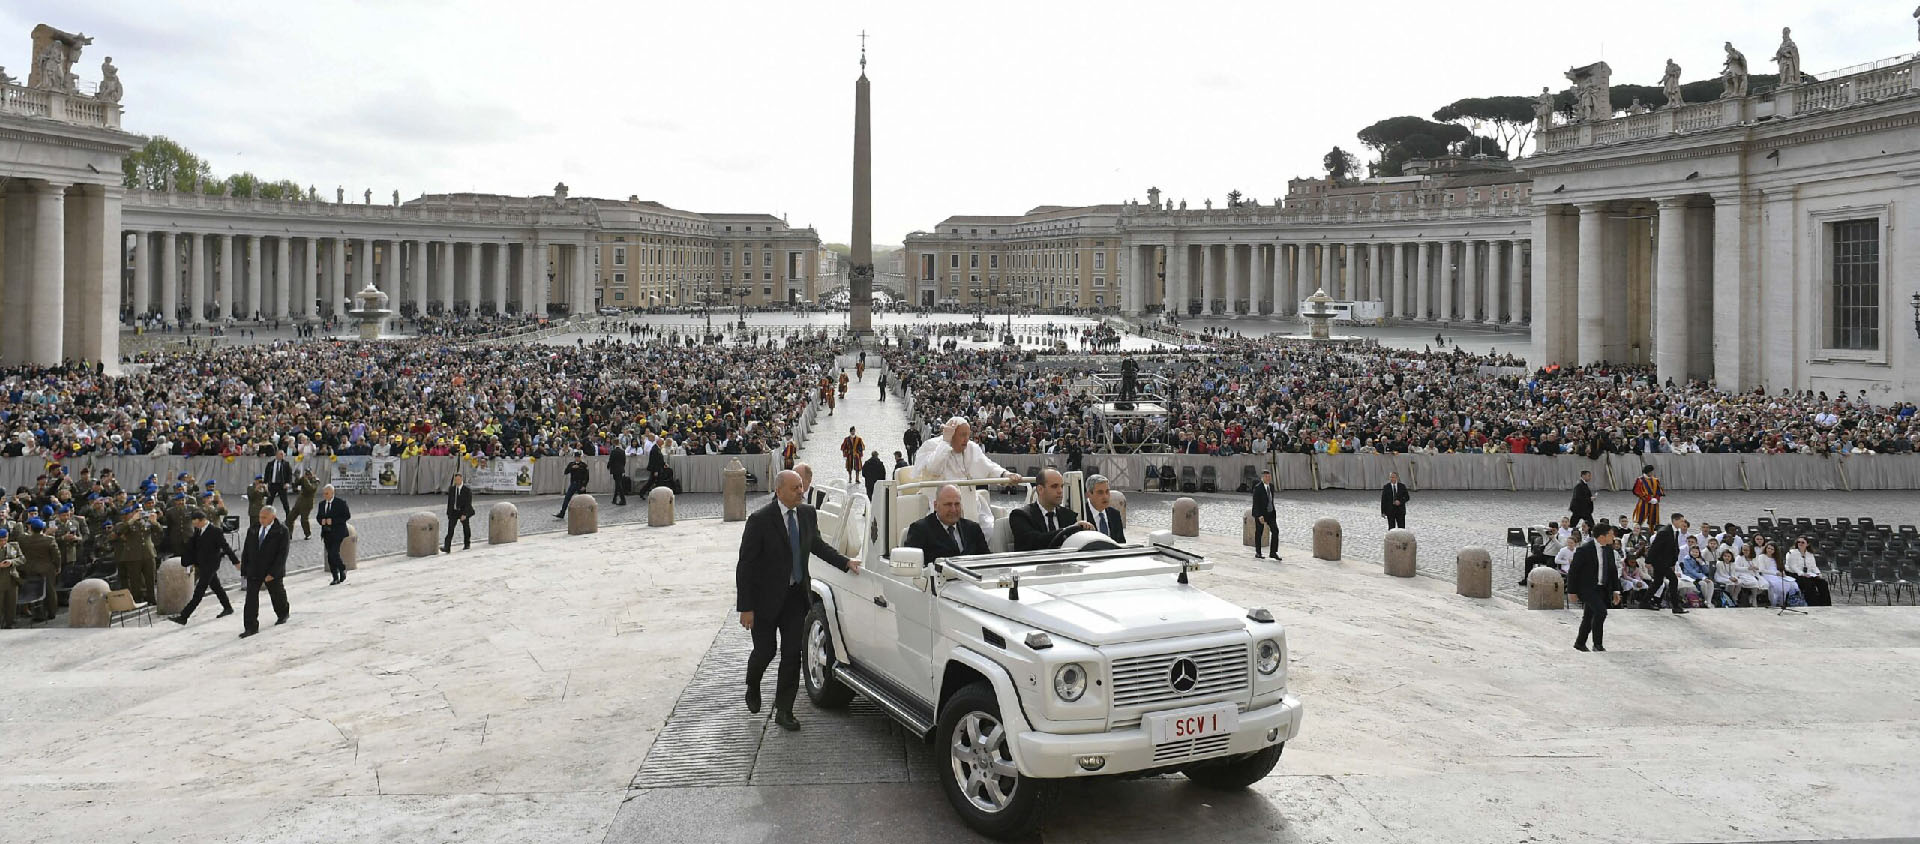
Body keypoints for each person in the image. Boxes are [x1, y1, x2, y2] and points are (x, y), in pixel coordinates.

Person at [736, 470, 859, 732]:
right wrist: (746, 607)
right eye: (795, 488)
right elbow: (745, 566)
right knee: (765, 651)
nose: (801, 492)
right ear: (779, 491)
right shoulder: (760, 520)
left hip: (795, 597)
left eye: (802, 487)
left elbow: (817, 546)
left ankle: (784, 710)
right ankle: (753, 682)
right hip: (764, 601)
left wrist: (846, 562)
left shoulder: (806, 514)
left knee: (793, 653)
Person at [909, 416, 1021, 532]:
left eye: (968, 435)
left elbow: (988, 466)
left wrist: (1006, 475)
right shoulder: (932, 446)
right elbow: (934, 468)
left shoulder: (971, 447)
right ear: (951, 434)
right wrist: (945, 443)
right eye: (963, 435)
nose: (966, 439)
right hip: (940, 504)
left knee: (988, 529)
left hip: (969, 501)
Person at [170, 509, 238, 625]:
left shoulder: (215, 531)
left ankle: (184, 616)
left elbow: (226, 547)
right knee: (216, 587)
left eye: (195, 522)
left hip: (211, 564)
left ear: (202, 520)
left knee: (199, 591)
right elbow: (194, 547)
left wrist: (235, 562)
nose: (194, 524)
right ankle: (228, 607)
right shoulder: (198, 530)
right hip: (202, 564)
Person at [902, 484, 989, 566]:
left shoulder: (973, 529)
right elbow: (909, 565)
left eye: (957, 504)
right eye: (948, 504)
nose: (953, 509)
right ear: (936, 505)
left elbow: (987, 561)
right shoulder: (920, 530)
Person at [1567, 523, 1623, 652]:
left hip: (1602, 588)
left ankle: (1580, 643)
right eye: (1611, 534)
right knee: (1601, 612)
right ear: (1602, 536)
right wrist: (1572, 592)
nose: (1613, 537)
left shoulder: (1608, 549)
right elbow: (1573, 572)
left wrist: (1615, 590)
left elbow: (1613, 570)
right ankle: (1597, 644)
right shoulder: (1584, 550)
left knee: (1588, 616)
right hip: (1587, 588)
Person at [1009, 468, 1092, 552]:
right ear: (1040, 489)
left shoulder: (1069, 515)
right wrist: (1068, 530)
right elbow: (1034, 542)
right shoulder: (1020, 515)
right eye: (1054, 486)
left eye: (1061, 486)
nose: (1060, 491)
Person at [239, 505, 291, 638]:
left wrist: (273, 573)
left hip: (271, 570)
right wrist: (245, 568)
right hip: (254, 569)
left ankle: (283, 614)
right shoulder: (254, 528)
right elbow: (247, 549)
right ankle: (250, 627)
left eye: (264, 517)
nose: (261, 520)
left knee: (277, 594)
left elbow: (282, 554)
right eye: (260, 517)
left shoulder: (282, 530)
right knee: (250, 599)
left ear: (272, 517)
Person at [17, 518, 60, 622]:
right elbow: (56, 555)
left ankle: (38, 614)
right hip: (47, 569)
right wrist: (57, 567)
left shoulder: (23, 539)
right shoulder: (49, 540)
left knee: (35, 591)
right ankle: (51, 612)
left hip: (30, 569)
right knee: (50, 590)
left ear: (30, 528)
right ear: (43, 528)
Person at [1646, 513, 1690, 614]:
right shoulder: (1665, 532)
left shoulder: (1675, 531)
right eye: (1682, 520)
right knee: (1673, 580)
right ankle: (1676, 606)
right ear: (1675, 520)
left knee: (1657, 582)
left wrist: (1673, 562)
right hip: (1660, 562)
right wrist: (1648, 561)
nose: (1683, 523)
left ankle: (1644, 601)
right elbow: (1654, 547)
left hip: (1666, 562)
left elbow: (1674, 548)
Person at [317, 485, 351, 585]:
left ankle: (342, 568)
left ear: (332, 493)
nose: (324, 495)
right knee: (330, 557)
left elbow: (347, 516)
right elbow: (318, 517)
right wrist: (321, 521)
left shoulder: (340, 503)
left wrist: (333, 521)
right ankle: (335, 577)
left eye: (326, 493)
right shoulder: (322, 504)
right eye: (324, 493)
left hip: (338, 532)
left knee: (334, 553)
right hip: (326, 533)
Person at [1784, 536, 1831, 606]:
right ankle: (1813, 604)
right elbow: (1793, 566)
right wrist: (1803, 574)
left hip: (1808, 574)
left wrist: (1818, 573)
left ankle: (1826, 604)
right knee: (1808, 584)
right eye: (1798, 542)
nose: (1800, 543)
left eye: (1802, 542)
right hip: (1794, 574)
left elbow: (1813, 566)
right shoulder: (1791, 553)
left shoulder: (1810, 554)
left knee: (1823, 583)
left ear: (1807, 544)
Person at [1084, 474, 1126, 543]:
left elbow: (1121, 542)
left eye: (1107, 491)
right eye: (1100, 492)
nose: (1105, 496)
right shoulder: (1082, 514)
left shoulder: (1115, 515)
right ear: (1089, 494)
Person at [1251, 469, 1280, 560]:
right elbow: (1256, 503)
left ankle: (1273, 552)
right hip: (1261, 513)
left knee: (1275, 531)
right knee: (1259, 532)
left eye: (1269, 477)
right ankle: (1258, 552)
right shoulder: (1258, 488)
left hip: (1270, 513)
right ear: (1262, 477)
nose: (1268, 479)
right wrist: (1259, 515)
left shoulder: (1271, 486)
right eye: (1266, 477)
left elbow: (1271, 500)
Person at [443, 472, 475, 553]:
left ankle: (467, 544)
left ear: (461, 479)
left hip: (463, 511)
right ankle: (447, 547)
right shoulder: (452, 489)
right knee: (450, 529)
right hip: (454, 512)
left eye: (458, 479)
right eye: (455, 480)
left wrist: (465, 514)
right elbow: (450, 502)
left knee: (466, 528)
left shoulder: (467, 490)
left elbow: (468, 504)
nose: (457, 481)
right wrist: (449, 513)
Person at [555, 451, 590, 518]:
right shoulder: (571, 464)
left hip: (580, 484)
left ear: (580, 457)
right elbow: (566, 472)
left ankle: (586, 514)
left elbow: (587, 477)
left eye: (578, 457)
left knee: (584, 500)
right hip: (573, 484)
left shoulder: (584, 465)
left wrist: (584, 485)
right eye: (576, 457)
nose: (577, 458)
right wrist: (571, 468)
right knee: (567, 498)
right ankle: (562, 513)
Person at [290, 469, 319, 540]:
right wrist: (296, 476)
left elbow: (311, 489)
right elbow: (296, 483)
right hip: (299, 503)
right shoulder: (304, 479)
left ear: (312, 474)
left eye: (309, 474)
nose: (307, 475)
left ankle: (308, 534)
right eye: (306, 474)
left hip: (307, 504)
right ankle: (288, 534)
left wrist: (305, 479)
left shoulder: (316, 481)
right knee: (290, 518)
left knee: (304, 520)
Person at [1631, 465, 1663, 529]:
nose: (1652, 473)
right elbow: (1637, 491)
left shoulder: (1655, 480)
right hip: (1643, 502)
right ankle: (1637, 531)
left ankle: (1652, 532)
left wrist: (1657, 499)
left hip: (1654, 503)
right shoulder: (1640, 480)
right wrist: (1648, 499)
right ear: (1647, 472)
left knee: (1653, 519)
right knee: (1640, 517)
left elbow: (1659, 491)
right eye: (1651, 472)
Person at [0, 529, 18, 629]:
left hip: (12, 580)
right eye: (1, 540)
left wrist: (12, 562)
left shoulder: (14, 545)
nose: (3, 542)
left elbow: (22, 558)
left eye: (5, 539)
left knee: (11, 604)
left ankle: (10, 624)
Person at [608, 441, 629, 506]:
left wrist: (608, 466)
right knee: (618, 484)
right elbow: (624, 461)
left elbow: (611, 460)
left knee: (618, 484)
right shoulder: (622, 451)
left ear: (614, 443)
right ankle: (614, 499)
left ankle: (623, 500)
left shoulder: (613, 451)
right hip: (621, 469)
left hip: (615, 469)